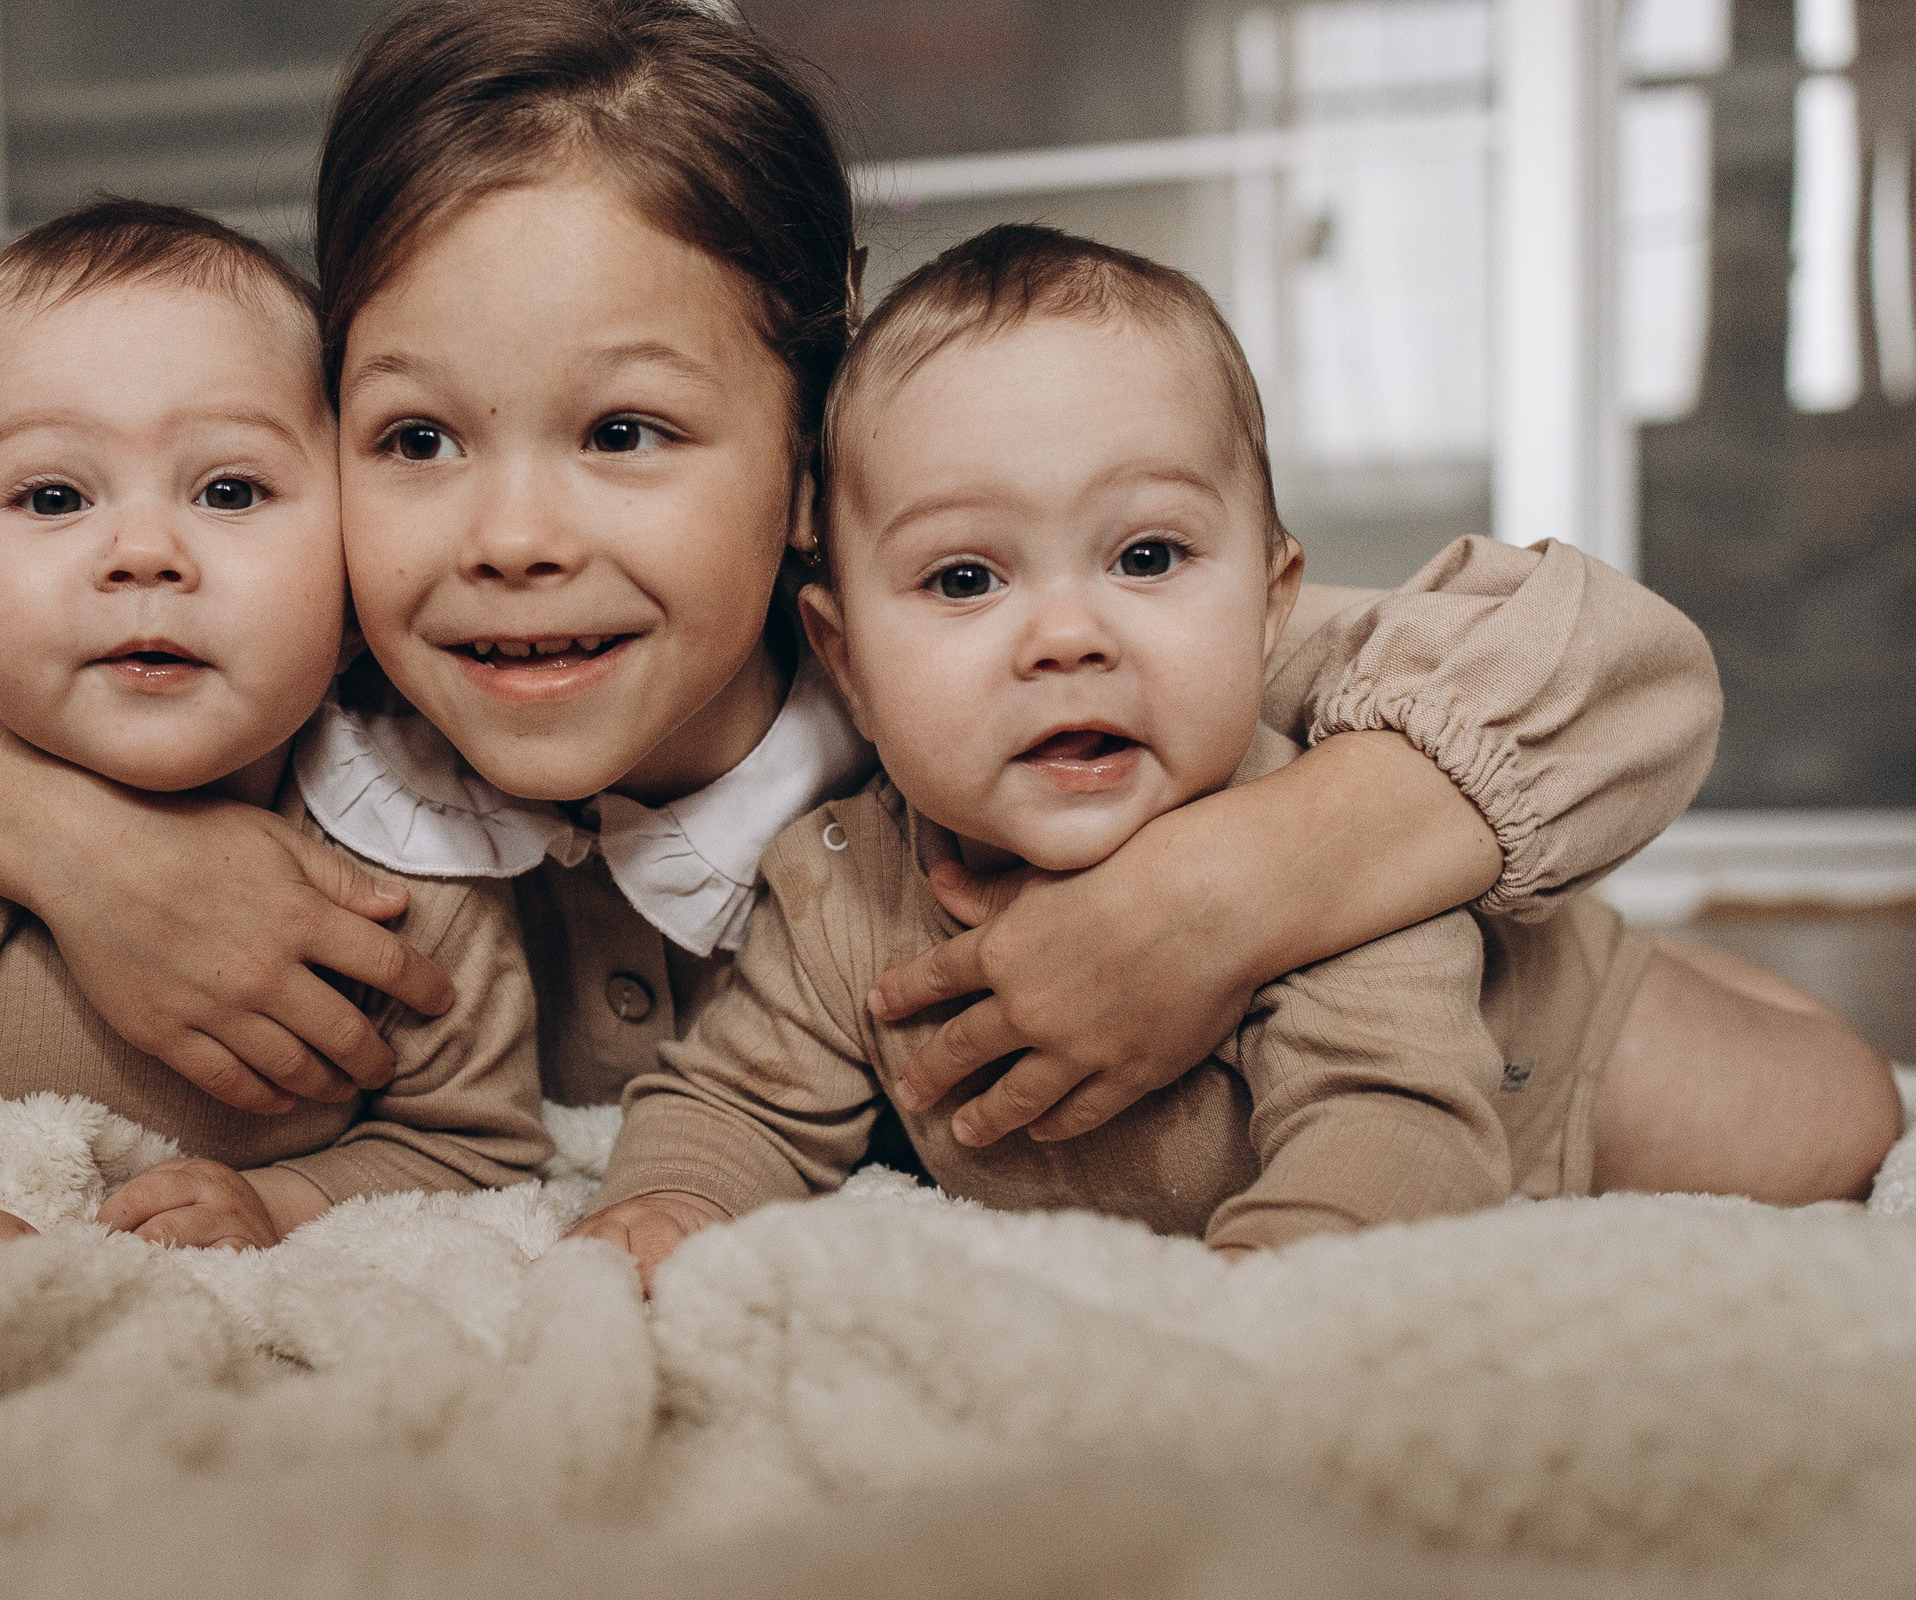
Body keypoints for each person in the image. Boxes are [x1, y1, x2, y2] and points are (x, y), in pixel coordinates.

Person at [0, 0, 1724, 1166]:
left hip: (1484, 1063)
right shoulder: (270, 673)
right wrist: (94, 858)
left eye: (628, 435)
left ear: (818, 461)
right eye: (412, 440)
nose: (510, 536)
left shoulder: (1002, 658)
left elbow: (1607, 668)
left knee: (1768, 1108)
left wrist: (1223, 887)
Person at [573, 227, 1901, 1283]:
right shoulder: (843, 886)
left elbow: (1388, 1137)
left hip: (1557, 1072)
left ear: (1272, 605)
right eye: (966, 577)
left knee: (1836, 1127)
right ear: (844, 653)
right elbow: (740, 1097)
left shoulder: (1327, 864)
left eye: (1147, 557)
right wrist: (672, 1196)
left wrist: (1286, 1278)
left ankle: (1670, 979)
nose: (1067, 635)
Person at [0, 202, 547, 1263]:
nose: (144, 552)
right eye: (54, 495)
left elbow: (472, 1144)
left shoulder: (420, 849)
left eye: (229, 489)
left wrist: (283, 1203)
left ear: (352, 597)